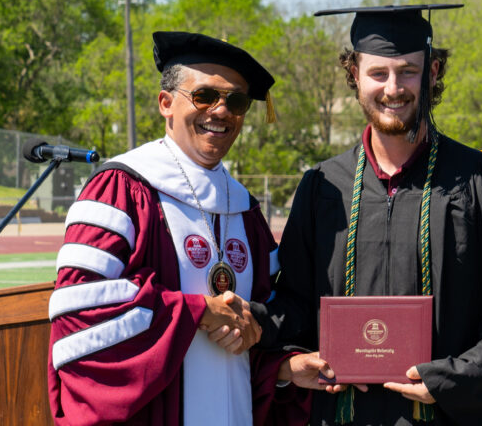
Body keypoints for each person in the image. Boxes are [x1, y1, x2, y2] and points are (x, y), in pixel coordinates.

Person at [249, 5, 482, 426]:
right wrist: (271, 341)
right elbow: (297, 302)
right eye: (378, 73)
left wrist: (456, 379)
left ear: (432, 73)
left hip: (445, 415)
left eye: (407, 72)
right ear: (354, 75)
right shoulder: (323, 186)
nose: (393, 88)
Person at [47, 31, 307, 425]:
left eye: (236, 101)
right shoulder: (121, 189)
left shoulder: (244, 208)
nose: (221, 112)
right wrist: (196, 312)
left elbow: (267, 316)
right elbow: (81, 311)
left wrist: (273, 351)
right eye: (204, 96)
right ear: (166, 104)